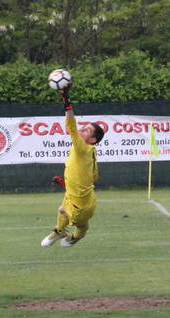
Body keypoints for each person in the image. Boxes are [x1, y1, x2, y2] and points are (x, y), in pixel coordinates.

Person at [41, 86, 104, 247]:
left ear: (93, 139)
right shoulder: (89, 151)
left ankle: (77, 236)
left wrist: (66, 101)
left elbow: (71, 126)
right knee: (62, 209)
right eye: (85, 127)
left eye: (87, 130)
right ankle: (59, 231)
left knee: (77, 223)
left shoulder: (83, 148)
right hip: (78, 196)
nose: (82, 129)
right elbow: (93, 176)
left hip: (83, 205)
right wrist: (67, 184)